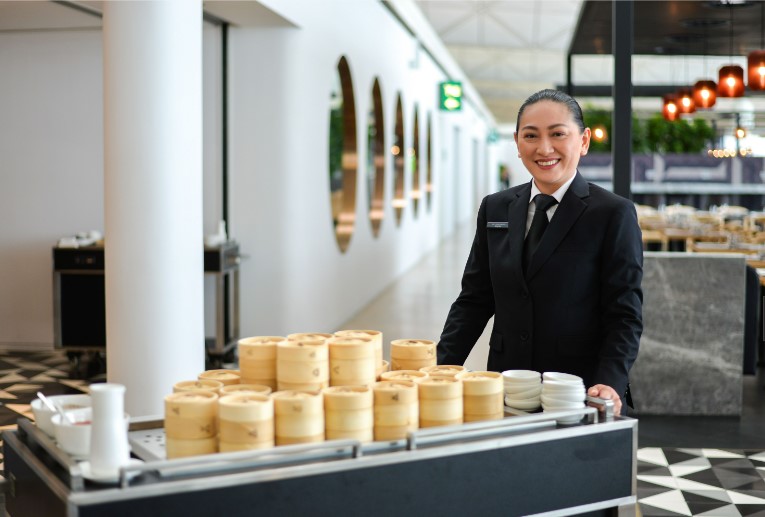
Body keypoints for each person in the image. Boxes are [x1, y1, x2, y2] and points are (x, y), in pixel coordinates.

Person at [437, 89, 643, 415]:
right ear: (517, 143)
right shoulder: (496, 207)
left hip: (576, 389)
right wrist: (442, 365)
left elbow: (624, 313)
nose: (544, 148)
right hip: (508, 382)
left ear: (584, 141)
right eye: (531, 136)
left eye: (558, 134)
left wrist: (610, 381)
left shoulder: (612, 213)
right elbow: (474, 299)